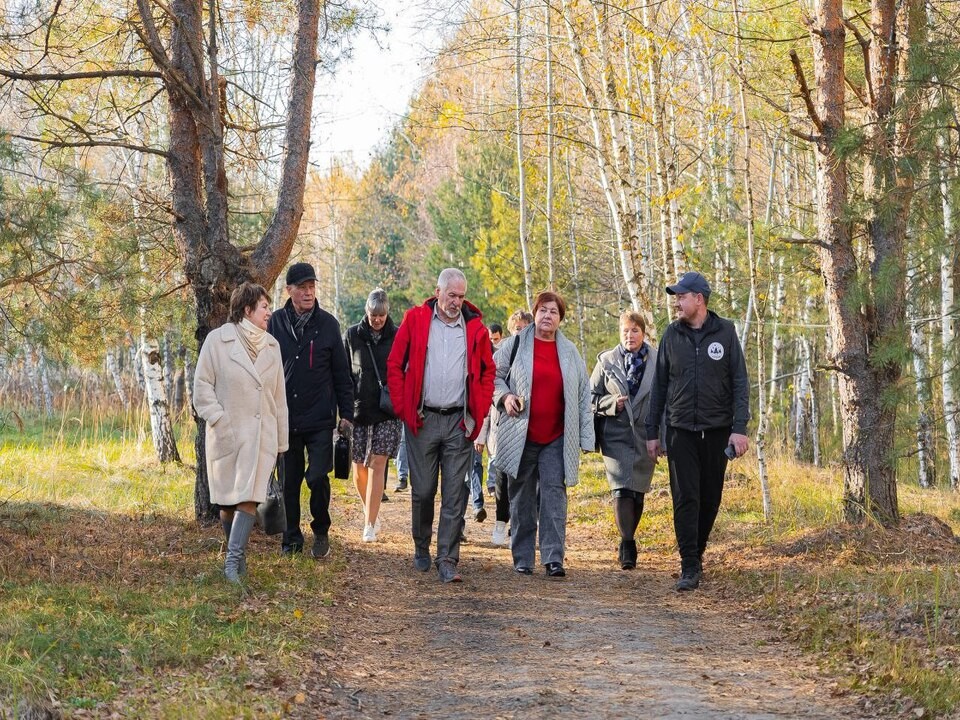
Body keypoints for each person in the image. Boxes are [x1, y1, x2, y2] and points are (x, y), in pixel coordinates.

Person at [386, 268, 495, 583]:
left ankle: (447, 558)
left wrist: (481, 407)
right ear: (438, 292)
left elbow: (488, 371)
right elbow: (394, 363)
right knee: (422, 491)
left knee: (454, 493)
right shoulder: (416, 319)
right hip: (423, 419)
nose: (456, 302)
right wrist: (404, 407)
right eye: (451, 295)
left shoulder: (475, 328)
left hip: (459, 421)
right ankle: (421, 544)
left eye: (461, 296)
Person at [645, 271, 750, 592]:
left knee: (710, 498)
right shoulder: (671, 335)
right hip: (679, 431)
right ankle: (689, 564)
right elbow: (659, 386)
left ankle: (698, 551)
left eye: (682, 296)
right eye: (676, 296)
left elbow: (739, 383)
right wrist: (653, 431)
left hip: (717, 431)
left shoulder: (726, 333)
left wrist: (739, 428)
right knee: (685, 497)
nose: (677, 302)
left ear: (699, 299)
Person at [493, 292, 593, 578]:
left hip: (557, 436)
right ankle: (523, 557)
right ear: (534, 314)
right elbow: (493, 377)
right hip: (520, 435)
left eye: (553, 312)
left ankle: (553, 557)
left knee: (554, 497)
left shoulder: (570, 352)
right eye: (543, 311)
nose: (547, 316)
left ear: (560, 319)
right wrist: (506, 396)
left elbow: (583, 395)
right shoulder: (513, 345)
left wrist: (586, 438)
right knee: (521, 497)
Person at [193, 282, 289, 582]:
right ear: (247, 309)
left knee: (248, 496)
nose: (269, 312)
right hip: (227, 434)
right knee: (227, 502)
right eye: (263, 307)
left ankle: (232, 562)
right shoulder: (217, 341)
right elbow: (201, 388)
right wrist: (218, 419)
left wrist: (281, 442)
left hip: (261, 436)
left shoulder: (272, 346)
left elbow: (279, 398)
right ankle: (238, 556)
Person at [268, 262, 354, 559]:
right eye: (302, 287)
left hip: (319, 418)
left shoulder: (328, 324)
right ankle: (291, 539)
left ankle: (321, 530)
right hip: (285, 418)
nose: (308, 292)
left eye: (312, 287)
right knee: (289, 482)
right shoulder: (274, 323)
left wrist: (347, 415)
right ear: (289, 290)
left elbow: (343, 374)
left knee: (317, 476)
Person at [590, 311, 658, 570]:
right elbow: (590, 397)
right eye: (625, 331)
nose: (630, 336)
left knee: (637, 491)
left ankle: (627, 537)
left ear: (643, 333)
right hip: (615, 434)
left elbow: (665, 399)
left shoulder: (657, 360)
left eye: (635, 331)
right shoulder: (607, 361)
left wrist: (661, 434)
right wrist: (610, 404)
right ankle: (627, 542)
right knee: (621, 489)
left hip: (645, 435)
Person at [344, 288, 402, 542]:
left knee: (378, 464)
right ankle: (371, 511)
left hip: (387, 411)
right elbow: (344, 374)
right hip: (359, 409)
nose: (377, 319)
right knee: (358, 469)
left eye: (381, 315)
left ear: (387, 313)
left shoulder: (398, 336)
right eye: (372, 315)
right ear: (366, 312)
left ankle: (369, 524)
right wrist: (343, 411)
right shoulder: (352, 335)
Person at [477, 310, 532, 545]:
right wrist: (481, 433)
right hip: (502, 425)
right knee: (502, 477)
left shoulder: (536, 353)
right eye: (516, 327)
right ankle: (501, 521)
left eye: (524, 327)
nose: (520, 331)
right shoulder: (502, 353)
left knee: (524, 481)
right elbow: (490, 390)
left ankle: (517, 529)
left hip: (527, 428)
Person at [465, 322, 504, 524]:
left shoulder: (496, 360)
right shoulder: (467, 359)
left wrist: (481, 433)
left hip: (488, 422)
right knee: (473, 465)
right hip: (468, 422)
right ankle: (477, 505)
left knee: (486, 464)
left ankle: (495, 511)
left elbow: (490, 399)